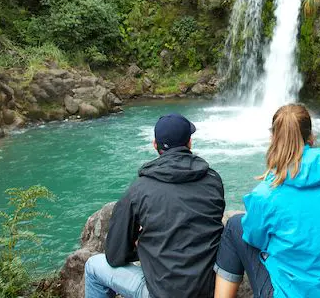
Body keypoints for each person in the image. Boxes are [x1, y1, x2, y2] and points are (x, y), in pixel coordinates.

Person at [214, 104, 320, 298]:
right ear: (311, 137)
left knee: (235, 225)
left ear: (273, 139)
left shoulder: (266, 195)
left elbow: (254, 238)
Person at [85, 113, 226, 298]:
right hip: (207, 289)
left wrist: (144, 246)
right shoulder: (213, 180)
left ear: (155, 145)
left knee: (93, 266)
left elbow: (114, 256)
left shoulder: (139, 189)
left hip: (161, 292)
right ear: (189, 142)